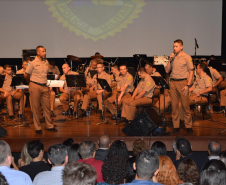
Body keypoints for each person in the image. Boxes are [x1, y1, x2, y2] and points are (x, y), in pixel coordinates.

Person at [24, 45, 57, 134]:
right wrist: (30, 84)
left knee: (47, 107)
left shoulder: (46, 62)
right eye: (43, 51)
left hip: (44, 86)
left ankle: (49, 125)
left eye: (45, 51)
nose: (45, 53)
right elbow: (26, 75)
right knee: (36, 107)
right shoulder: (32, 63)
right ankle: (37, 127)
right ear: (38, 52)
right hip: (35, 85)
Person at [165, 39, 194, 133]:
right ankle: (176, 126)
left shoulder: (186, 57)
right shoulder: (173, 57)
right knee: (174, 106)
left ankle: (188, 125)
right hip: (173, 82)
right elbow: (167, 71)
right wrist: (170, 59)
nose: (174, 48)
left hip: (183, 83)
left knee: (185, 105)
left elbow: (191, 72)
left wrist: (188, 85)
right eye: (173, 46)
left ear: (181, 47)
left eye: (176, 46)